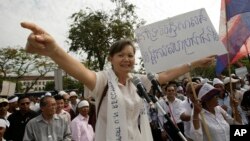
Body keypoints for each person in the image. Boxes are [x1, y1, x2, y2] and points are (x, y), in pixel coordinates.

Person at [21, 22, 214, 141]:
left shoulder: (138, 81)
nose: (127, 59)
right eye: (121, 55)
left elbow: (164, 76)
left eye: (130, 55)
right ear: (110, 58)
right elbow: (79, 70)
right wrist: (53, 50)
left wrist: (194, 62)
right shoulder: (103, 80)